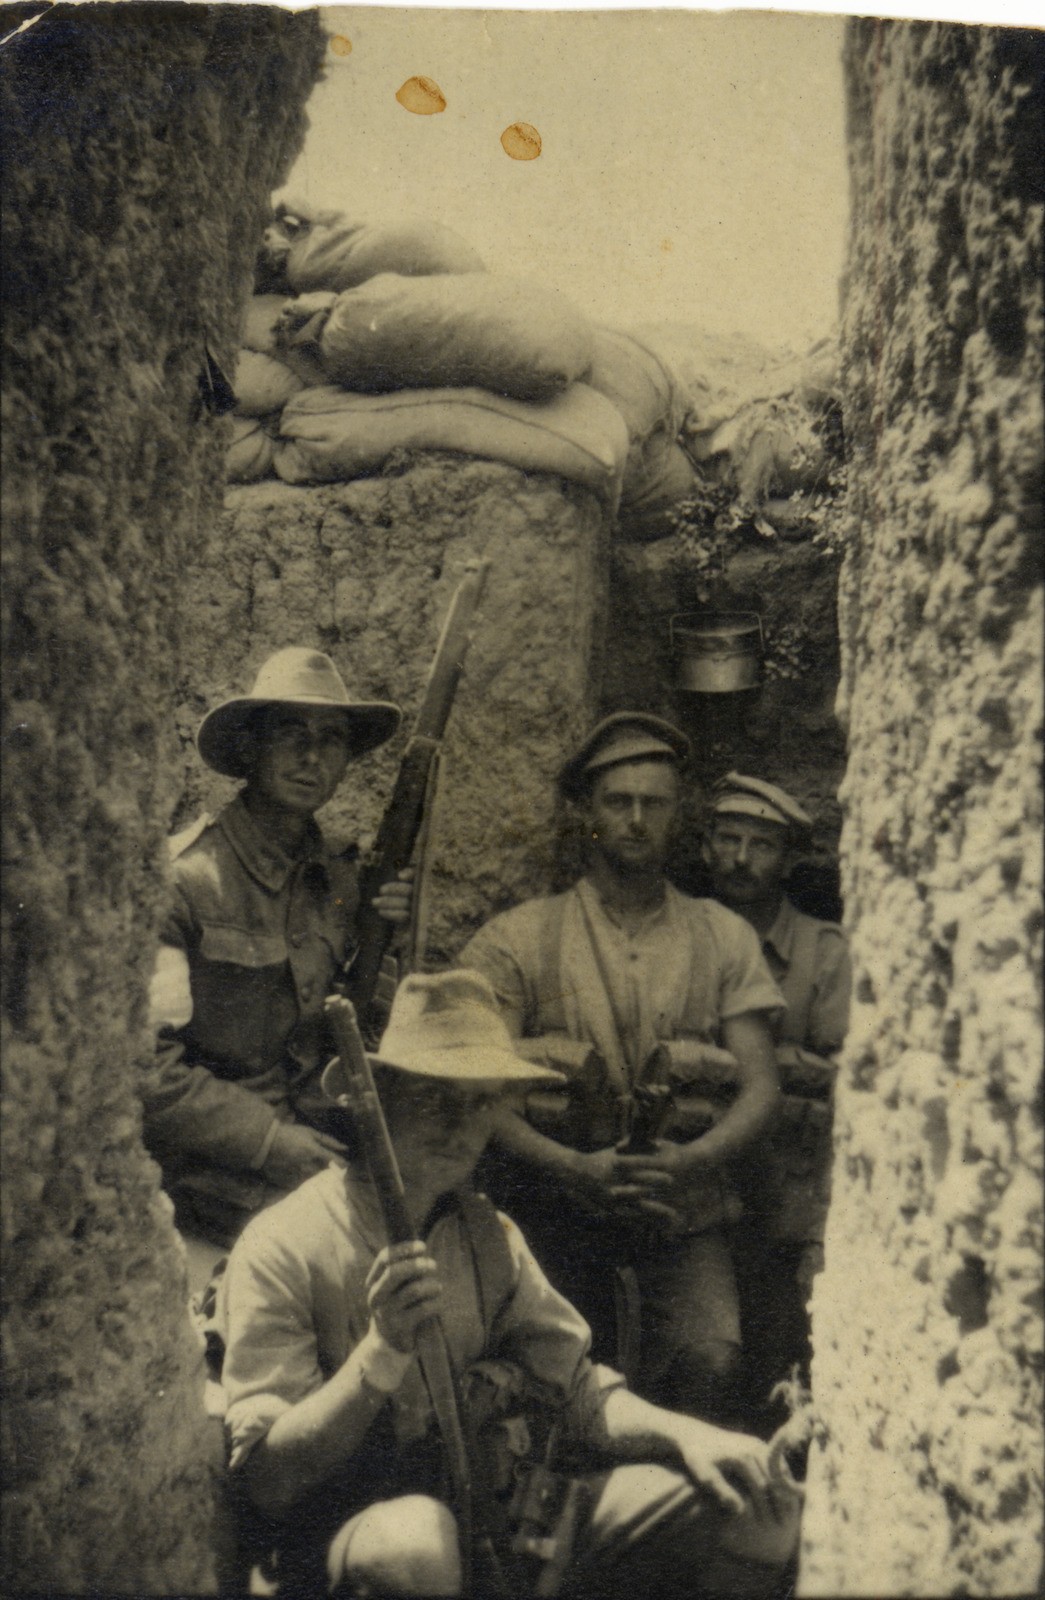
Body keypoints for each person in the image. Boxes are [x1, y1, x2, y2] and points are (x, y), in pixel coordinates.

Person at [217, 969, 800, 1599]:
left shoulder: (485, 1233)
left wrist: (692, 1434)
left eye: (481, 1102)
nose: (462, 1125)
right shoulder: (285, 1243)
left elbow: (576, 1388)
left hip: (497, 1521)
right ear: (378, 1098)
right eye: (437, 1096)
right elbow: (270, 1482)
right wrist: (380, 1353)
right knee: (416, 1543)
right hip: (351, 1537)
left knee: (752, 1507)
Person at [459, 714, 785, 1418]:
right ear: (585, 813)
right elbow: (471, 1090)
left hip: (681, 1207)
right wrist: (570, 1168)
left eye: (655, 803)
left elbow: (761, 1086)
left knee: (710, 1352)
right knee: (548, 1371)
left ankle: (667, 1503)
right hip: (551, 1208)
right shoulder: (517, 939)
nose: (637, 820)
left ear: (679, 816)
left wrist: (689, 1161)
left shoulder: (722, 937)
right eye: (618, 802)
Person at [140, 647, 413, 1254]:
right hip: (213, 1186)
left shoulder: (346, 880)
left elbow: (365, 1037)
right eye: (291, 732)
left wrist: (389, 945)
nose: (311, 756)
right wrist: (267, 1141)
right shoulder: (184, 881)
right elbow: (145, 1068)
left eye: (332, 738)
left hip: (326, 1162)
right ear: (250, 747)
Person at [702, 772, 852, 1400]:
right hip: (707, 1179)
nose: (741, 859)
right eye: (728, 840)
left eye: (760, 846)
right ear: (706, 848)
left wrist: (760, 1061)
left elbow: (853, 1076)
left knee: (781, 1352)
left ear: (788, 861)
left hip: (789, 1189)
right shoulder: (686, 933)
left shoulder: (823, 952)